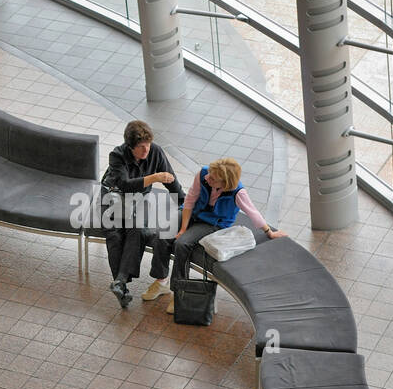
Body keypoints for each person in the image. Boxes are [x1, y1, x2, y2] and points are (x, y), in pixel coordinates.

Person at [167, 157, 287, 314]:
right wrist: (183, 229)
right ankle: (160, 279)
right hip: (193, 212)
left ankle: (179, 293)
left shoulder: (238, 192)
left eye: (213, 178)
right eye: (209, 174)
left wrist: (269, 232)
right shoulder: (203, 174)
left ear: (225, 182)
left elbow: (253, 212)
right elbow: (189, 200)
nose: (207, 178)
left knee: (181, 244)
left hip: (212, 223)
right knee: (163, 235)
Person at [101, 120, 184, 309]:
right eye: (141, 147)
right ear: (130, 147)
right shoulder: (117, 155)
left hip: (137, 199)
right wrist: (154, 177)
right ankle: (121, 286)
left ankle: (120, 282)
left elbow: (170, 179)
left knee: (136, 228)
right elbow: (124, 183)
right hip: (113, 196)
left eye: (147, 145)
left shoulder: (155, 151)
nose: (146, 150)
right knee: (114, 234)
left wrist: (183, 202)